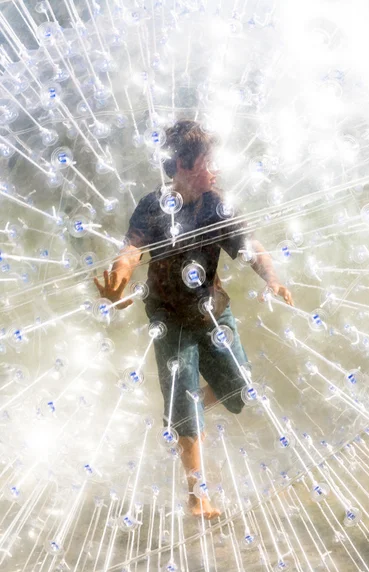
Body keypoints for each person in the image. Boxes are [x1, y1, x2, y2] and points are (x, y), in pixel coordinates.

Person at [94, 120, 293, 519]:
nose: (215, 169)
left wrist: (273, 279)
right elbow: (131, 248)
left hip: (211, 309)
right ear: (184, 166)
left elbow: (250, 247)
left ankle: (183, 413)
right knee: (186, 400)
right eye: (208, 162)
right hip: (168, 317)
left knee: (239, 388)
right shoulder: (154, 207)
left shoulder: (217, 205)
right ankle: (197, 495)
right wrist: (119, 277)